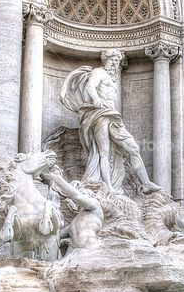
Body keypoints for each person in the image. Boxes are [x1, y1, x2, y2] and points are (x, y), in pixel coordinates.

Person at [61, 58, 161, 194]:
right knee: (104, 152)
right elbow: (90, 86)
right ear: (106, 60)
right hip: (100, 115)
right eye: (112, 60)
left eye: (117, 60)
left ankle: (146, 183)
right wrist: (96, 99)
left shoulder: (112, 78)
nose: (115, 63)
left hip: (113, 116)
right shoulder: (98, 72)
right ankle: (108, 186)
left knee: (133, 148)